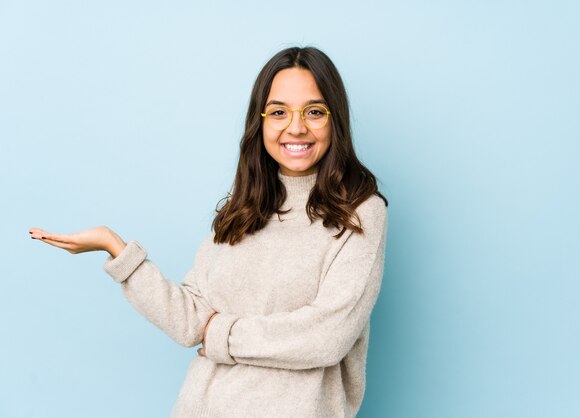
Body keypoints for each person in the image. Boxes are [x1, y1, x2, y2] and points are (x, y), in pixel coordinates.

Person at [29, 46, 388, 418]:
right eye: (279, 112)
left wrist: (218, 335)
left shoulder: (360, 212)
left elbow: (327, 337)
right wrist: (117, 250)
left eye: (314, 112)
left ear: (336, 120)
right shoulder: (243, 209)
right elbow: (191, 321)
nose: (296, 127)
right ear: (260, 121)